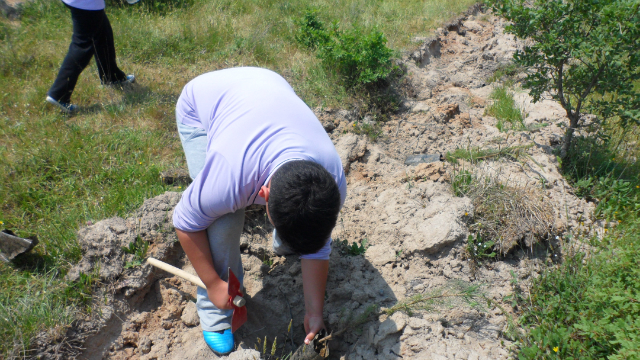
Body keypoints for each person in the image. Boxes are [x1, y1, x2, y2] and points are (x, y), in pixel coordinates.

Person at [172, 67, 347, 355]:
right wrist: (214, 283)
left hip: (267, 85)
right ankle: (215, 315)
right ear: (262, 195)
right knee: (223, 221)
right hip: (202, 105)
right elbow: (185, 222)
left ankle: (289, 240)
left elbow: (319, 243)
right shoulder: (227, 177)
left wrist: (314, 312)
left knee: (306, 225)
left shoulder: (331, 182)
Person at [46, 0, 135, 113]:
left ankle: (111, 76)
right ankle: (59, 93)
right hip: (86, 3)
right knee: (83, 45)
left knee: (103, 32)